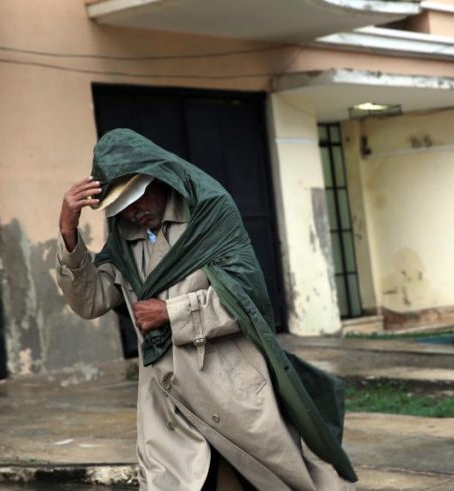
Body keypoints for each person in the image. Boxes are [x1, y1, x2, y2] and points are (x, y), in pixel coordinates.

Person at [56, 129, 357, 490]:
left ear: (159, 177)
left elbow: (247, 299)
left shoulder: (210, 217)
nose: (134, 212)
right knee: (174, 481)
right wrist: (68, 233)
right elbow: (91, 301)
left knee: (278, 480)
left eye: (138, 197)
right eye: (122, 206)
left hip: (229, 387)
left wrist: (171, 312)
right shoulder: (125, 239)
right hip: (167, 403)